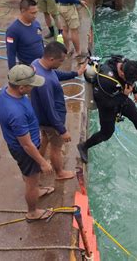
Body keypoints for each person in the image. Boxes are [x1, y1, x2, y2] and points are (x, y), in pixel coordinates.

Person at [77, 55, 137, 163]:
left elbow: (130, 81)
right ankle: (84, 146)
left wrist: (135, 91)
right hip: (106, 102)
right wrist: (124, 95)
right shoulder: (105, 80)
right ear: (122, 73)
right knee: (106, 133)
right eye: (129, 80)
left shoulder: (125, 63)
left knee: (136, 116)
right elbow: (106, 104)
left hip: (120, 95)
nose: (131, 83)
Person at [0, 65, 56, 222]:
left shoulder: (5, 91)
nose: (34, 87)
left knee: (31, 176)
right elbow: (26, 145)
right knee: (31, 181)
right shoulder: (16, 113)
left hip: (20, 146)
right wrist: (43, 162)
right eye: (31, 85)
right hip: (25, 151)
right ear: (22, 88)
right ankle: (32, 212)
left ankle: (36, 188)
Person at [31, 41, 86, 180]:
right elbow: (49, 108)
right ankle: (60, 173)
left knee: (44, 139)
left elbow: (55, 74)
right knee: (56, 148)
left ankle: (38, 163)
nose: (61, 63)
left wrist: (76, 73)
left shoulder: (37, 64)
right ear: (51, 59)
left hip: (40, 118)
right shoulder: (44, 82)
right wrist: (62, 130)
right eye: (60, 61)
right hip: (52, 121)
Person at [6, 0, 44, 69]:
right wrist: (13, 73)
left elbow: (41, 42)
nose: (35, 16)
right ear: (23, 11)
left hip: (42, 64)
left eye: (36, 12)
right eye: (32, 13)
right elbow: (11, 53)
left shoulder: (36, 24)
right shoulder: (12, 30)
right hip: (28, 69)